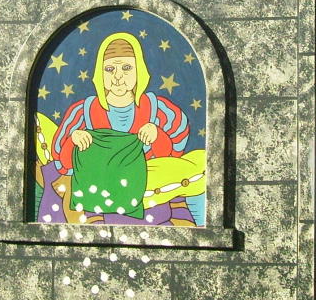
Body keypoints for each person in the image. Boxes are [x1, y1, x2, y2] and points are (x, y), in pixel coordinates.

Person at [48, 32, 204, 224]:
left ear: (140, 71)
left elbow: (171, 159)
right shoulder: (83, 112)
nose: (118, 77)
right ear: (99, 73)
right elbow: (63, 164)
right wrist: (74, 140)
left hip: (150, 194)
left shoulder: (160, 111)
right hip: (96, 196)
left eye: (127, 68)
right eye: (110, 69)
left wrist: (157, 135)